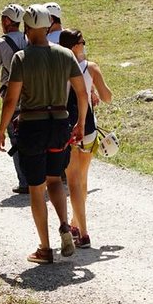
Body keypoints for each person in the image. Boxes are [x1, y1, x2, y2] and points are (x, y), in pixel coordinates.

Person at [0, 4, 88, 264]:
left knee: (36, 189)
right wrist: (80, 122)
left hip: (32, 127)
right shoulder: (65, 55)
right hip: (60, 125)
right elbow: (81, 93)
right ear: (48, 27)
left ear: (26, 28)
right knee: (56, 181)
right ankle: (64, 226)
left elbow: (11, 99)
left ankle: (45, 249)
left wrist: (2, 130)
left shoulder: (22, 58)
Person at [59, 28, 113, 248]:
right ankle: (76, 224)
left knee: (73, 180)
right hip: (89, 128)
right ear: (76, 46)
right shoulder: (90, 68)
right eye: (82, 41)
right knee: (82, 178)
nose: (85, 44)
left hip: (66, 128)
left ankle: (83, 231)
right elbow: (108, 97)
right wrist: (94, 90)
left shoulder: (58, 67)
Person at [0, 2, 28, 193]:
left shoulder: (0, 43)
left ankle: (25, 181)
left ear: (7, 20)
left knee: (15, 134)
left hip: (11, 93)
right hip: (32, 92)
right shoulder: (29, 39)